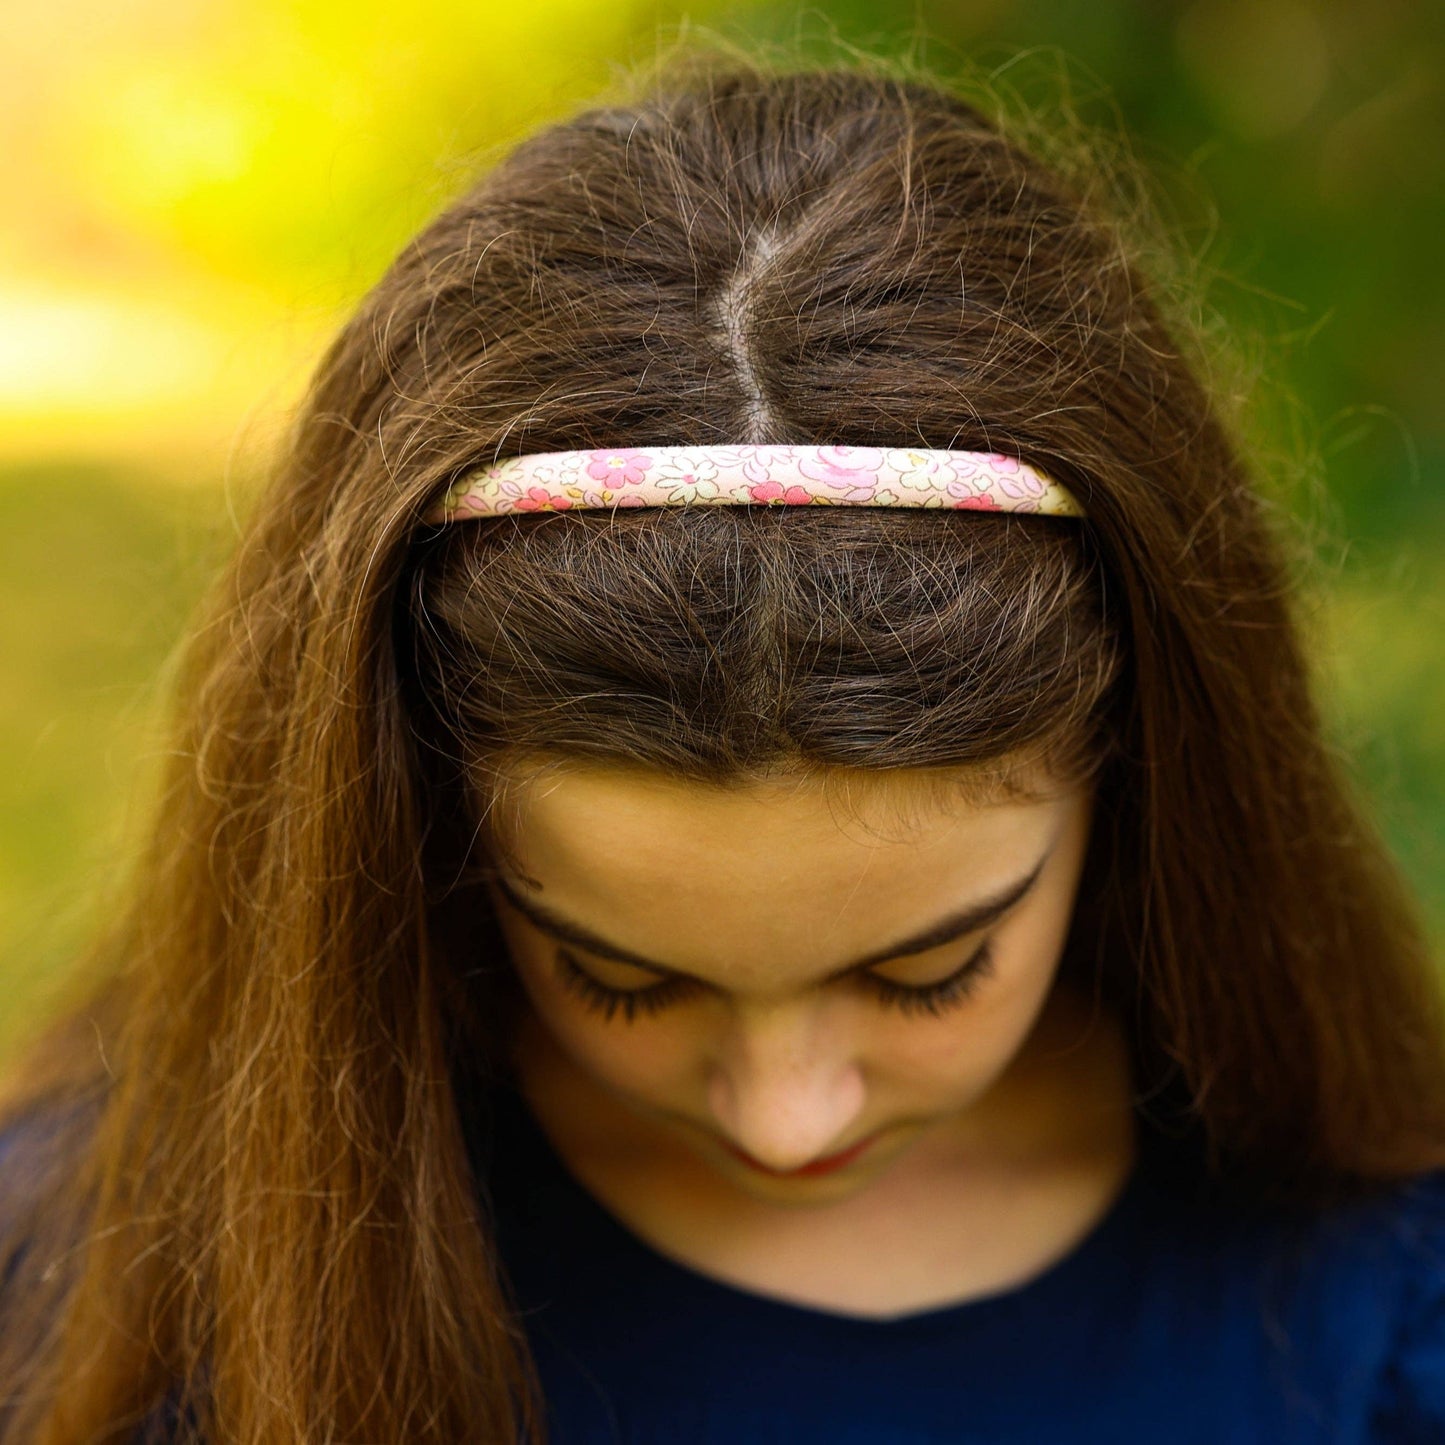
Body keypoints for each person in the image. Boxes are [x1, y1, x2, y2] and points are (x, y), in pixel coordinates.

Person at [2, 54, 1445, 1445]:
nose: (781, 1114)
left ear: (1141, 774)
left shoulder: (1376, 1290)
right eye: (618, 978)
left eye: (927, 969)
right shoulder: (113, 1289)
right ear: (413, 827)